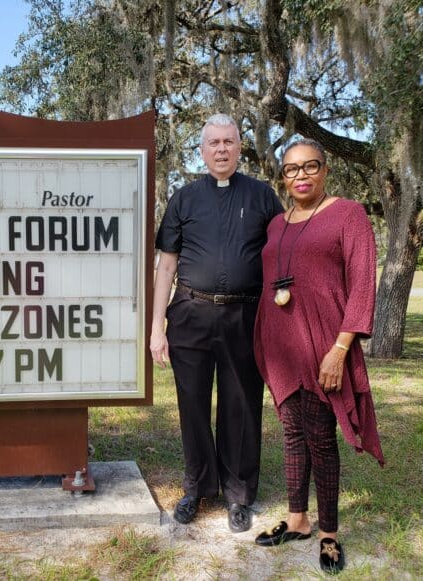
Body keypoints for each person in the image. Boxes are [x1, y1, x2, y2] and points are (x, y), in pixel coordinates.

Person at [253, 138, 384, 574]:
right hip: (282, 349)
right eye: (291, 169)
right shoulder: (277, 224)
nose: (301, 175)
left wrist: (341, 349)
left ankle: (328, 531)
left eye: (310, 167)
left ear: (325, 170)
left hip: (326, 346)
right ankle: (297, 520)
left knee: (321, 438)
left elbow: (363, 284)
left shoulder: (349, 214)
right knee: (292, 434)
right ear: (283, 177)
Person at [150, 113, 283, 532]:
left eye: (229, 141)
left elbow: (282, 258)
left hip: (245, 316)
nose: (221, 149)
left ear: (240, 146)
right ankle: (197, 487)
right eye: (213, 143)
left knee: (241, 404)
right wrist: (157, 328)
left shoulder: (262, 197)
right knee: (191, 403)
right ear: (202, 150)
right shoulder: (183, 199)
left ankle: (239, 495)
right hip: (189, 314)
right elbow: (166, 265)